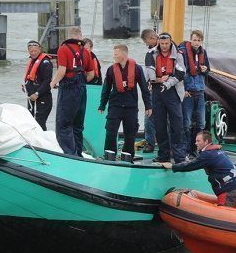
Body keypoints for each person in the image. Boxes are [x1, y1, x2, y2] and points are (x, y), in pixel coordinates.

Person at [98, 44, 151, 158]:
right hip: (115, 106)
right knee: (111, 132)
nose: (114, 56)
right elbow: (106, 89)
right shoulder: (111, 70)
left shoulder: (137, 69)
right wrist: (102, 105)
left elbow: (144, 88)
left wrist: (148, 105)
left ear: (123, 54)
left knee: (130, 134)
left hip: (130, 107)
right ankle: (109, 155)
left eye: (116, 54)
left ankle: (127, 156)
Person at [164, 131, 236, 207]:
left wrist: (172, 166)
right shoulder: (218, 150)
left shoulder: (207, 155)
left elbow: (190, 165)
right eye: (196, 141)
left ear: (206, 142)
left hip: (229, 189)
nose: (196, 143)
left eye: (198, 141)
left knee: (223, 215)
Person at [51, 27, 95, 155]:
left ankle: (70, 155)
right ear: (80, 37)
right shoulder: (86, 52)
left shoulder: (63, 49)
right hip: (81, 90)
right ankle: (79, 154)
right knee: (78, 125)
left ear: (69, 36)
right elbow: (91, 74)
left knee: (63, 125)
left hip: (68, 90)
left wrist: (53, 83)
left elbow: (62, 70)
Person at [146, 31, 187, 164]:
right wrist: (159, 80)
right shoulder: (151, 54)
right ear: (158, 42)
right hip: (158, 91)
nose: (164, 46)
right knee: (159, 124)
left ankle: (179, 155)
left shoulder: (178, 55)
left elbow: (181, 73)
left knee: (177, 123)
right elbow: (150, 75)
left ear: (170, 42)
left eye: (166, 43)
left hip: (173, 90)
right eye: (162, 43)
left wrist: (168, 83)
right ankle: (163, 154)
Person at [179, 29, 211, 156]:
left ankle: (195, 148)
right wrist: (183, 89)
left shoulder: (204, 53)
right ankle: (186, 149)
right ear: (190, 39)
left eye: (199, 40)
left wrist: (205, 69)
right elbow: (180, 71)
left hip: (200, 91)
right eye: (194, 40)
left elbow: (208, 70)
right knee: (186, 123)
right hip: (188, 92)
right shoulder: (184, 53)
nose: (196, 42)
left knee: (201, 123)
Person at [22, 39, 54, 130]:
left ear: (40, 50)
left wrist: (37, 93)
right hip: (31, 96)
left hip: (43, 96)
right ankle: (32, 141)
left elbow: (47, 81)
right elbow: (30, 79)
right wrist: (26, 88)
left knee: (40, 123)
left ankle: (43, 142)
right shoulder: (32, 62)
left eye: (35, 51)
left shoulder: (46, 63)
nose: (33, 53)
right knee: (30, 121)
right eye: (31, 51)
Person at [138, 29, 159, 152]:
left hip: (159, 87)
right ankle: (151, 142)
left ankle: (152, 142)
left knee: (150, 116)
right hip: (155, 87)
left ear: (151, 38)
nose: (147, 44)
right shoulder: (151, 53)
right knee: (150, 116)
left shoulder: (153, 54)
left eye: (146, 42)